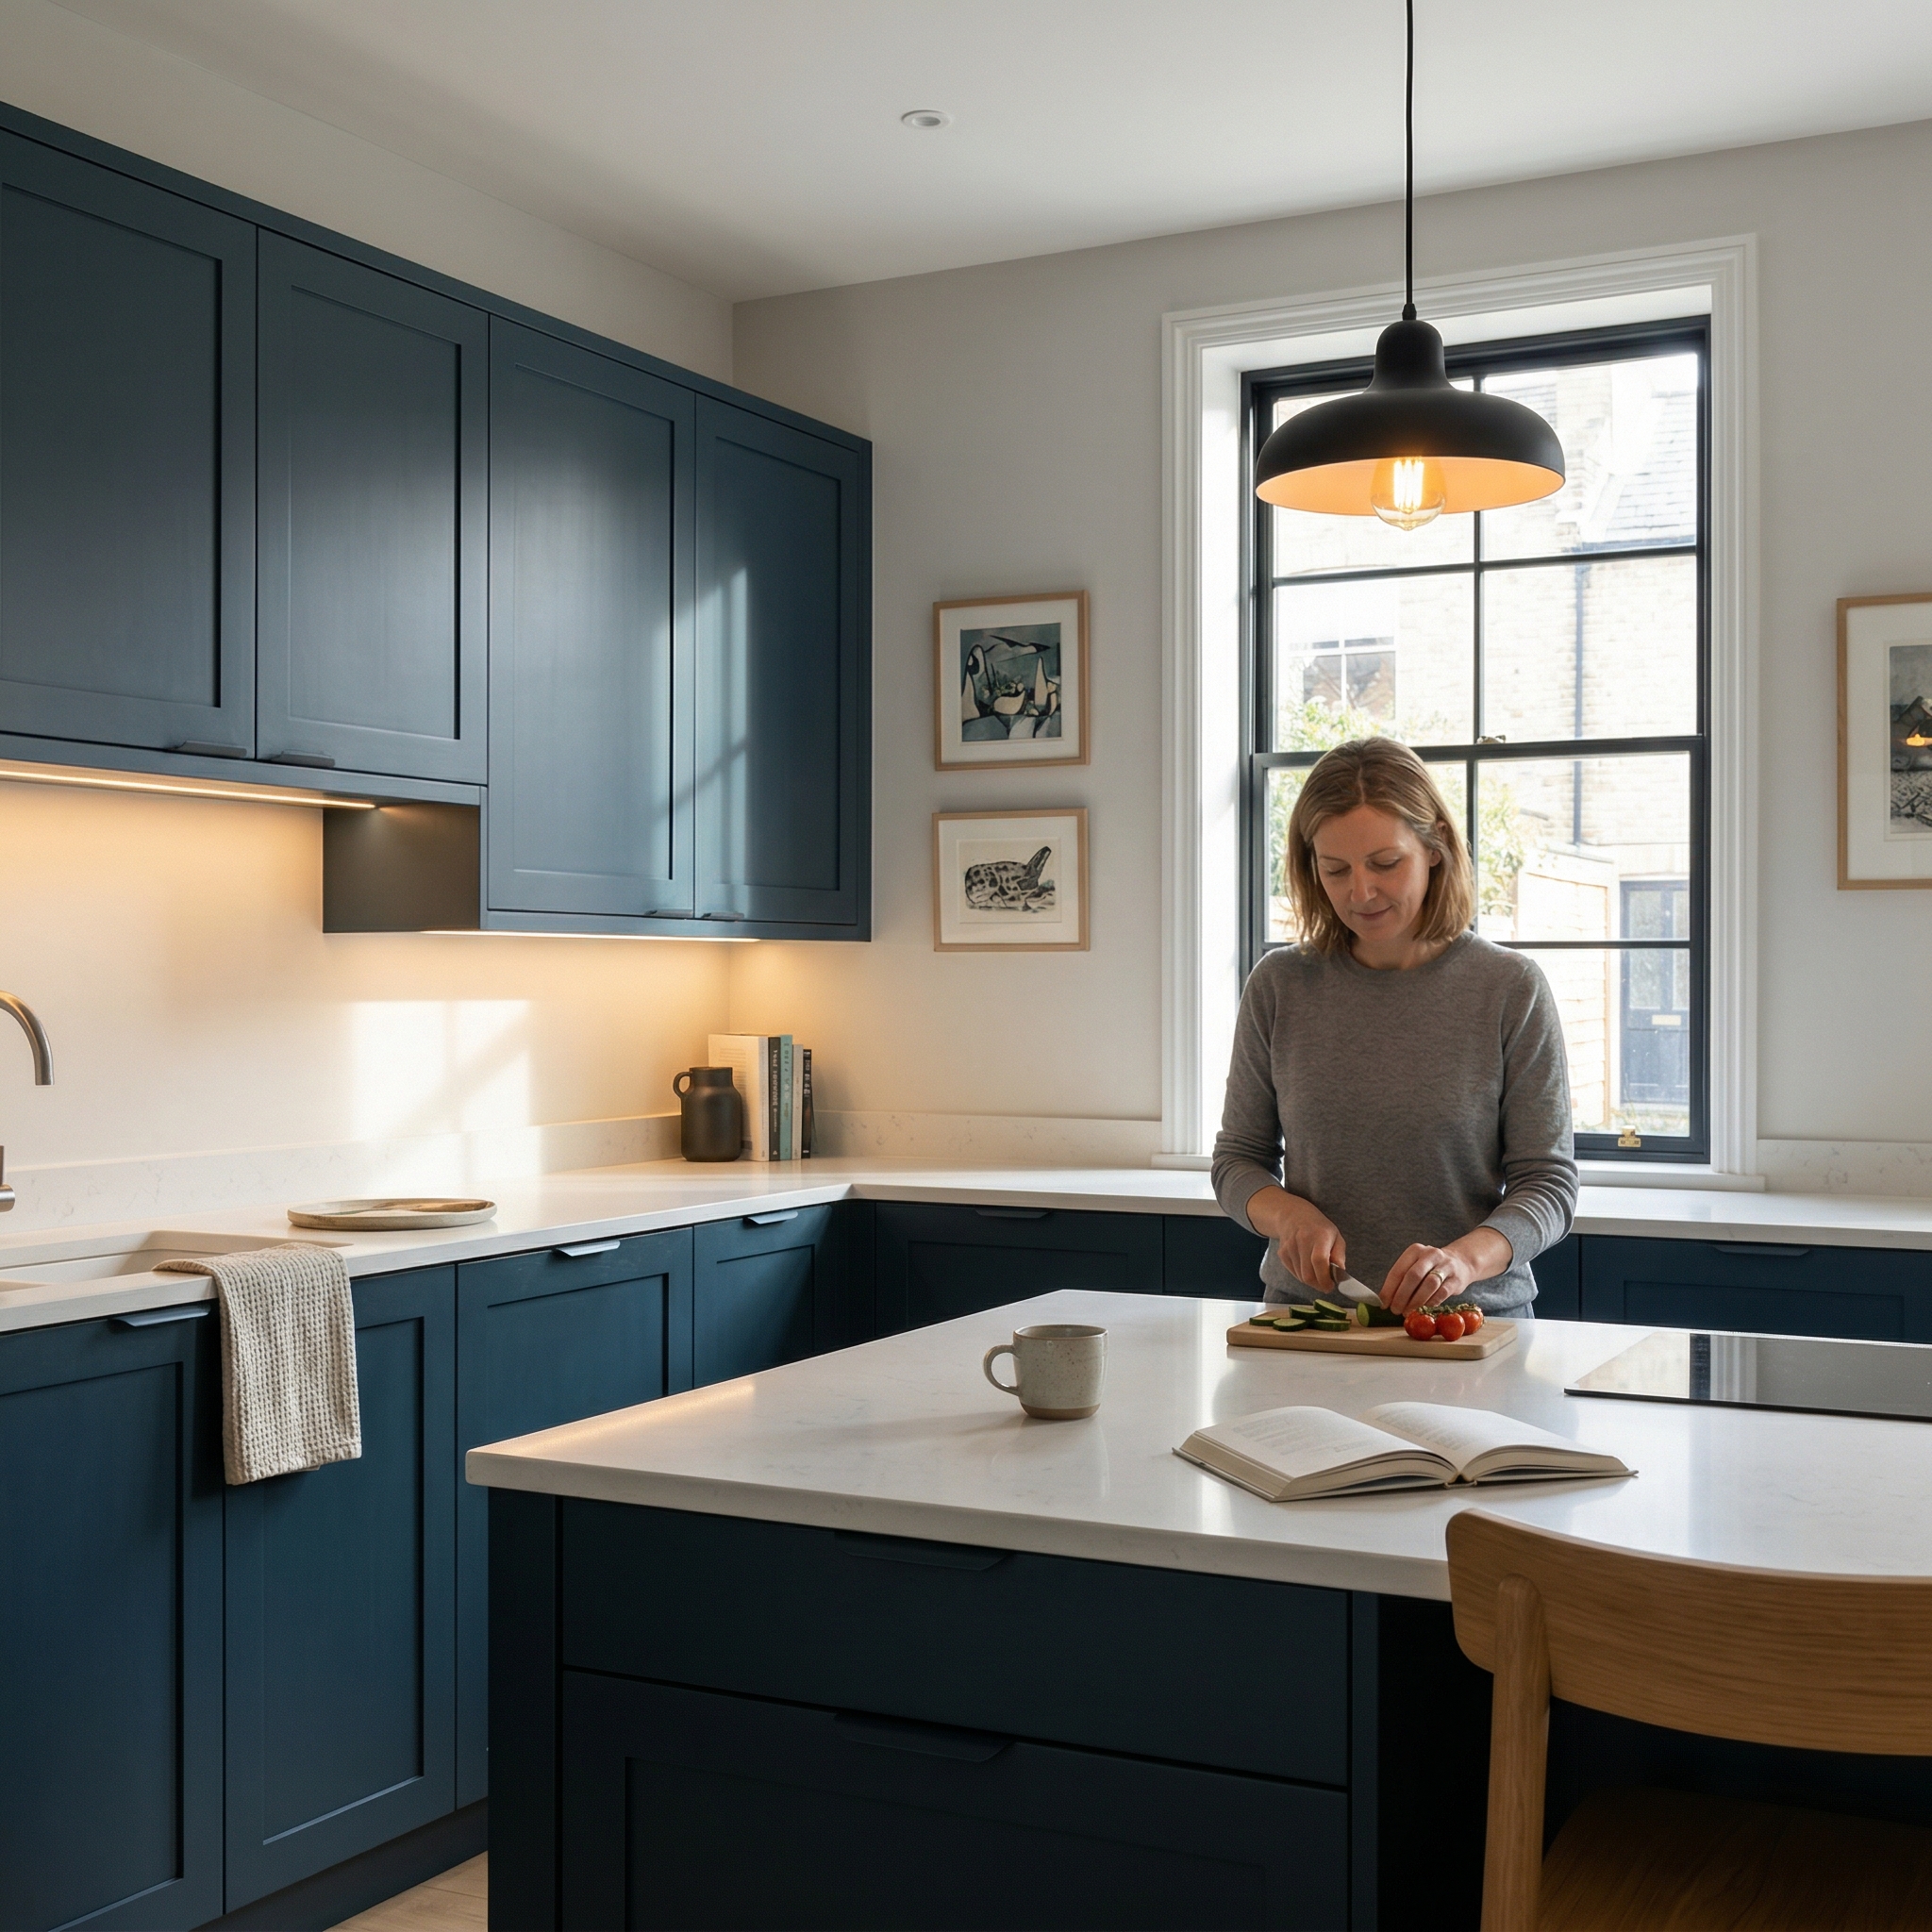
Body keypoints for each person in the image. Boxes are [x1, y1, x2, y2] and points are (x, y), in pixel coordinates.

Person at [1212, 738, 1575, 1316]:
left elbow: (1548, 1185)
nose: (1360, 892)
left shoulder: (1509, 988)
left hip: (1469, 1325)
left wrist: (1464, 1262)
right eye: (1335, 869)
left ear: (1434, 846)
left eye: (1385, 863)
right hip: (1313, 1322)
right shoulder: (1280, 985)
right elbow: (1237, 1161)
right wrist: (1289, 1216)